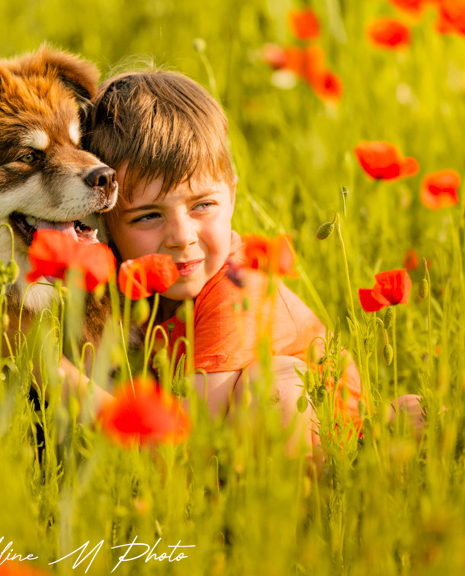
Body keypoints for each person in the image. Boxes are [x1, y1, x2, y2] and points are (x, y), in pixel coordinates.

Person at [83, 67, 423, 455]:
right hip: (234, 460)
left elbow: (182, 448)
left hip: (333, 453)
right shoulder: (121, 287)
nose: (182, 236)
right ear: (104, 221)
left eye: (203, 205)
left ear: (232, 195)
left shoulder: (237, 290)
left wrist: (59, 376)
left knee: (274, 384)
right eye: (148, 215)